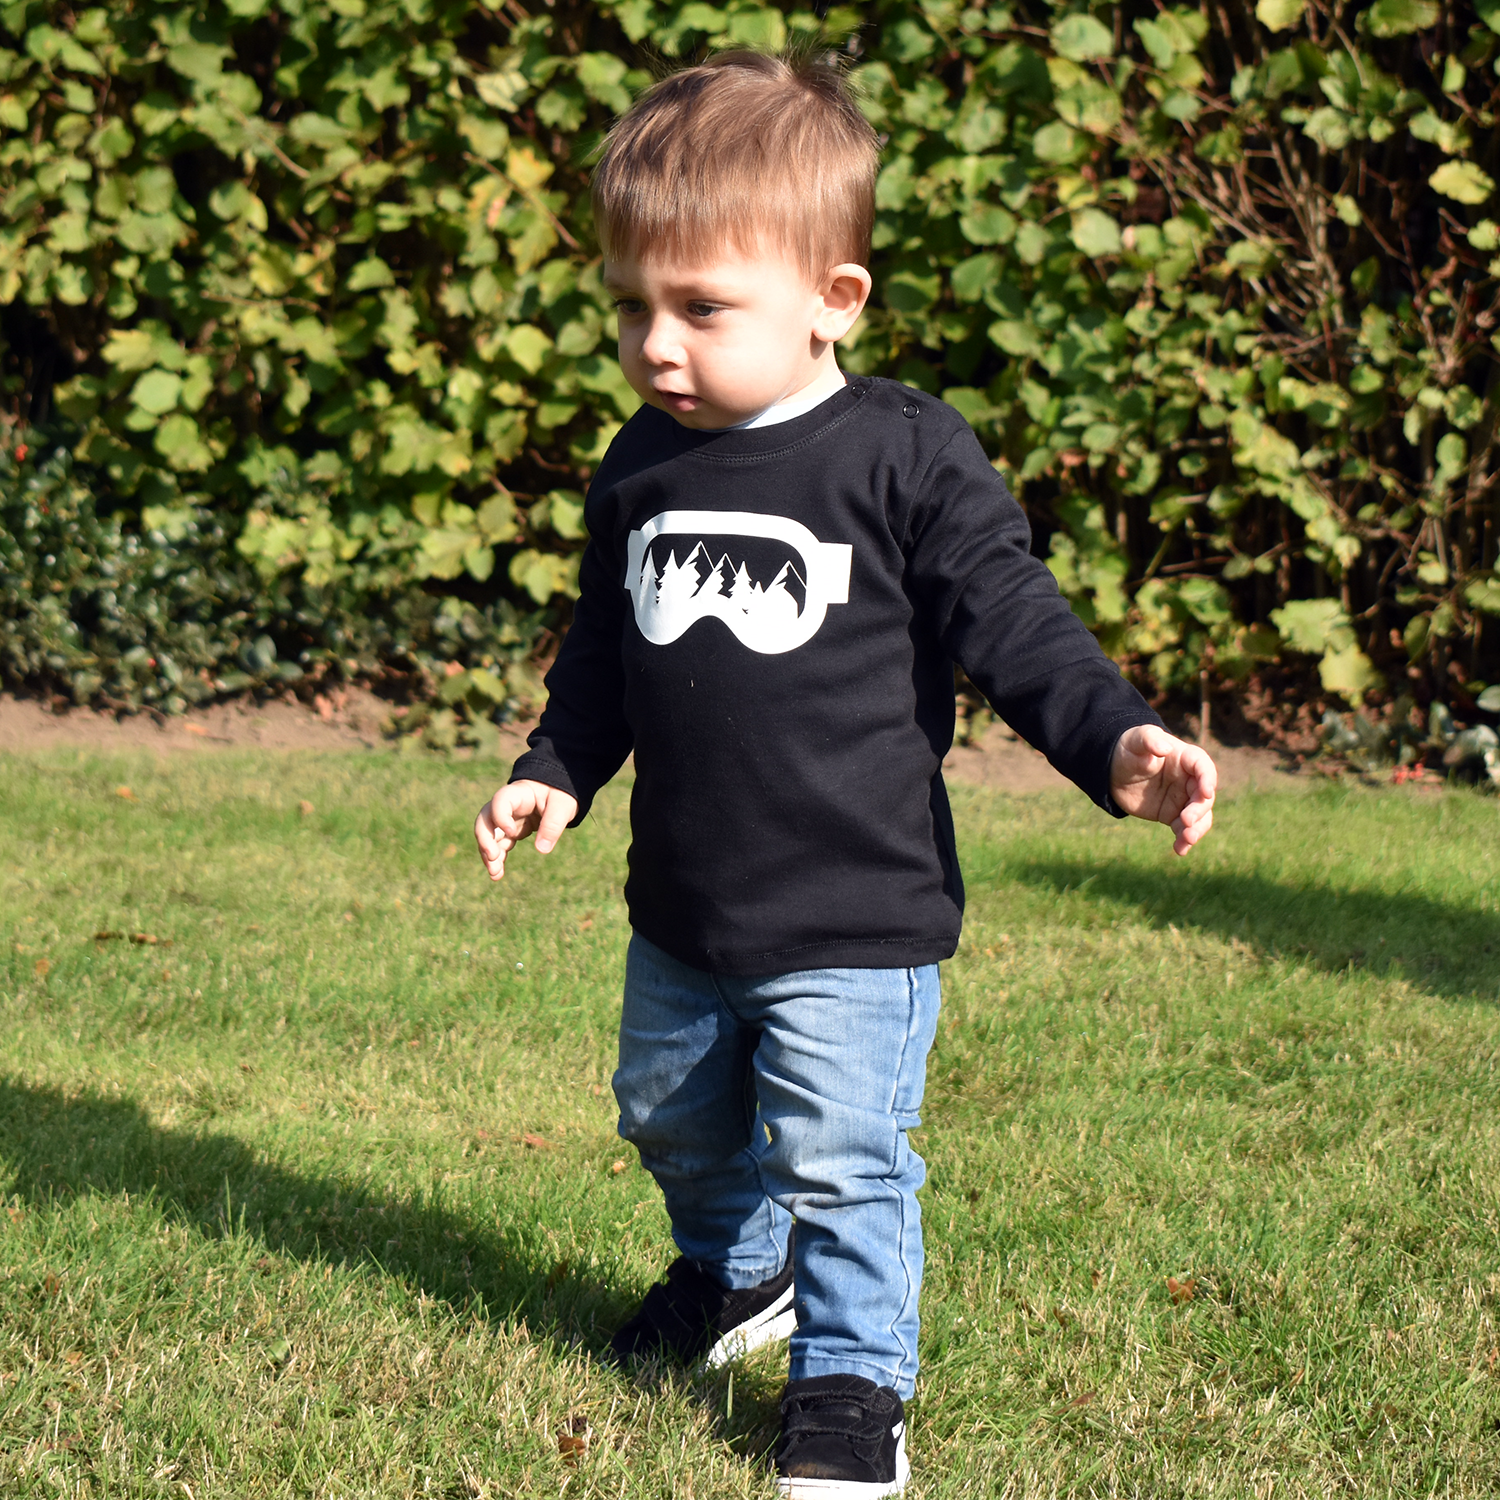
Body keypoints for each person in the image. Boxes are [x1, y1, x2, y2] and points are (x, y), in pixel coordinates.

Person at [474, 48, 1216, 1500]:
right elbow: (609, 652)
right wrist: (553, 766)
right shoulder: (641, 466)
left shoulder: (905, 456)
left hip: (855, 918)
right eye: (630, 307)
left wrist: (1113, 739)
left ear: (833, 299)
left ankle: (852, 1386)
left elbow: (1014, 621)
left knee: (841, 1157)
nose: (654, 346)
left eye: (699, 309)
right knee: (669, 1112)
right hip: (684, 908)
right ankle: (736, 1275)